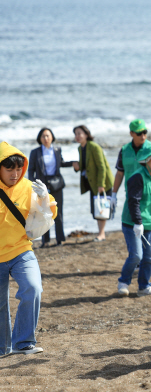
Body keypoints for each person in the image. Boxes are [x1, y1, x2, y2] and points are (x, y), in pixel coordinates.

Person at [1, 142, 58, 356]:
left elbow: (51, 211)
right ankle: (2, 347)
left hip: (21, 250)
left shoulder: (27, 187)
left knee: (33, 288)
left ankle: (23, 342)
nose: (15, 174)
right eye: (9, 169)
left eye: (18, 168)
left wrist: (44, 198)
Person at [117, 147, 151, 297]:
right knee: (136, 255)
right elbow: (134, 201)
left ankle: (144, 286)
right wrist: (137, 222)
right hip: (132, 223)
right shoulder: (137, 177)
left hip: (150, 224)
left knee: (149, 256)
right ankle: (123, 282)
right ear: (146, 160)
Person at [28, 128, 74, 247]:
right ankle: (45, 241)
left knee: (58, 213)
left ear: (52, 137)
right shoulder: (35, 152)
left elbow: (62, 163)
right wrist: (32, 185)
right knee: (42, 213)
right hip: (42, 185)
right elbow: (31, 170)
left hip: (57, 184)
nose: (46, 138)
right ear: (40, 139)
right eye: (43, 136)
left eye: (48, 136)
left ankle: (59, 239)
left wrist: (74, 163)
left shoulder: (57, 150)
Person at [72, 125, 114, 242]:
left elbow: (102, 167)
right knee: (96, 208)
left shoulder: (94, 147)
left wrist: (101, 184)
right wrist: (77, 167)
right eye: (75, 134)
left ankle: (101, 233)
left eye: (80, 133)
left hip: (103, 182)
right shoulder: (80, 148)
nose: (77, 136)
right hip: (92, 182)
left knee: (102, 208)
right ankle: (101, 233)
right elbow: (85, 166)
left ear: (86, 134)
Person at [112, 119, 151, 219]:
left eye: (144, 132)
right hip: (131, 194)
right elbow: (120, 174)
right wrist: (114, 194)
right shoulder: (124, 150)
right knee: (130, 223)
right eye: (139, 133)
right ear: (131, 133)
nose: (143, 136)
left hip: (150, 195)